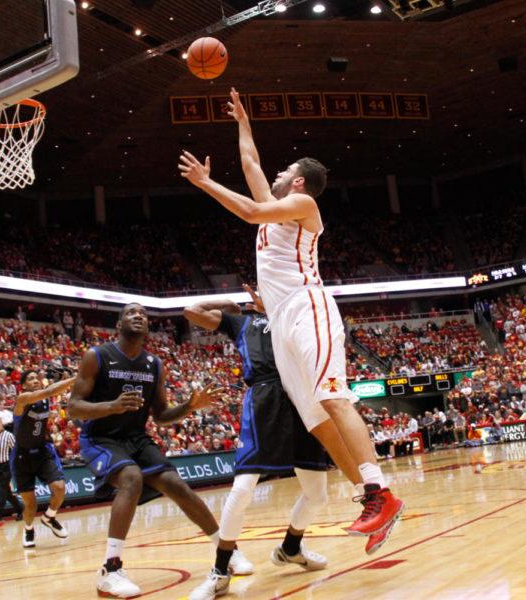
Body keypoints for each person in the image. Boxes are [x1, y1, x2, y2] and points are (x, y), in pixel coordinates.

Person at [178, 89, 404, 541]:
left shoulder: (304, 206)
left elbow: (249, 209)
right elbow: (251, 166)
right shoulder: (275, 215)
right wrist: (243, 122)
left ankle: (383, 492)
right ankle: (368, 497)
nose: (278, 173)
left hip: (308, 307)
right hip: (281, 322)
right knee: (318, 421)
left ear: (299, 183)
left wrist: (204, 182)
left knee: (334, 398)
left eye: (288, 171)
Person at [68, 303, 225, 598]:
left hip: (136, 438)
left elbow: (162, 415)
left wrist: (189, 407)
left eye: (143, 314)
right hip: (100, 438)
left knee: (175, 484)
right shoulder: (97, 356)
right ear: (119, 324)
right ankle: (110, 570)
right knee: (131, 477)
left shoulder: (153, 364)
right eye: (131, 312)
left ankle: (226, 550)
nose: (139, 316)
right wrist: (111, 407)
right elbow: (73, 408)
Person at [184, 296, 332, 600]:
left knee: (318, 493)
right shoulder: (241, 322)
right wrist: (229, 303)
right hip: (265, 397)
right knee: (242, 489)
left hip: (301, 396)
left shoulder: (296, 314)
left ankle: (291, 547)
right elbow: (191, 312)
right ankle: (220, 571)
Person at [12, 370, 76, 548]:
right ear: (24, 385)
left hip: (41, 451)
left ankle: (49, 516)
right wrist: (76, 378)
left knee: (60, 487)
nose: (35, 381)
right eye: (30, 379)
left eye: (37, 378)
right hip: (22, 455)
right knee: (30, 505)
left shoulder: (45, 400)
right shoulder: (22, 399)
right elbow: (50, 391)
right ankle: (29, 528)